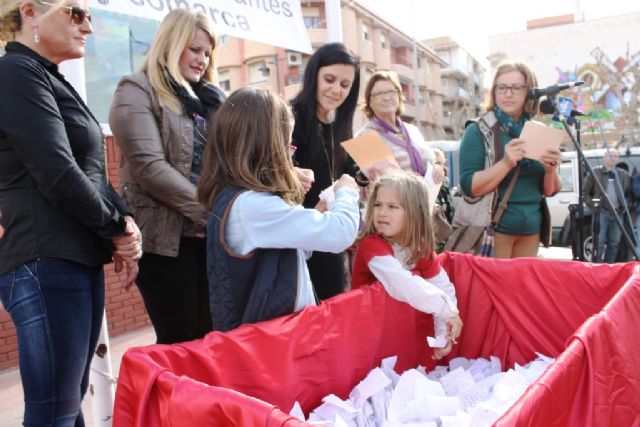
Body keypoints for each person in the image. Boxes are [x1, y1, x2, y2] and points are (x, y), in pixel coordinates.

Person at [0, 1, 142, 425]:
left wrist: (126, 221)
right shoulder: (15, 74)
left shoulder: (46, 79)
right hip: (46, 261)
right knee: (54, 412)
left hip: (71, 259)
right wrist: (116, 228)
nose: (90, 27)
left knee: (65, 405)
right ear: (30, 12)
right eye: (76, 13)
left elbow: (92, 171)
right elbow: (57, 170)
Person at [197, 88, 360, 331]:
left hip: (277, 334)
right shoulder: (251, 206)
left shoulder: (246, 200)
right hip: (272, 339)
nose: (288, 155)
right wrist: (347, 190)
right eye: (286, 145)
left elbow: (292, 253)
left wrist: (320, 210)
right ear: (266, 146)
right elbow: (341, 234)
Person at [110, 9, 225, 344]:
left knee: (212, 339)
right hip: (166, 244)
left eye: (207, 52)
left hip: (211, 240)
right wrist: (215, 213)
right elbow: (150, 169)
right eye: (194, 49)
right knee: (180, 342)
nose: (202, 59)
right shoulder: (136, 90)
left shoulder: (211, 98)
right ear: (171, 44)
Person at [458, 60, 562, 259]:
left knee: (520, 290)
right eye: (502, 87)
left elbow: (549, 191)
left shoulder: (538, 131)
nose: (508, 94)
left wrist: (551, 170)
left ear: (529, 92)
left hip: (532, 232)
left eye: (516, 88)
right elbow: (469, 187)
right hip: (494, 231)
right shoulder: (478, 130)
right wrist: (505, 163)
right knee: (496, 290)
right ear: (494, 92)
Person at [352, 173, 462, 359]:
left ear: (414, 212)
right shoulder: (372, 245)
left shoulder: (419, 247)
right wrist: (446, 310)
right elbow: (401, 283)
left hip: (394, 337)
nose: (382, 212)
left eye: (392, 206)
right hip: (365, 335)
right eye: (378, 205)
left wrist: (443, 334)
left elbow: (441, 285)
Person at [290, 42, 362, 300]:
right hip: (296, 239)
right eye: (329, 79)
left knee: (333, 309)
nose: (336, 90)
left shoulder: (342, 126)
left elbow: (352, 172)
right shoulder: (288, 117)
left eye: (345, 85)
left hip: (330, 236)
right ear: (314, 76)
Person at [358, 70, 444, 184]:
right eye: (379, 94)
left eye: (391, 91)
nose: (387, 97)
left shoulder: (413, 130)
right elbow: (386, 182)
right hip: (396, 200)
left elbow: (431, 162)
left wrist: (437, 168)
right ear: (370, 101)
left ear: (399, 95)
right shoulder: (364, 138)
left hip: (428, 199)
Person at [583, 149, 632, 263]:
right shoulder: (594, 172)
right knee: (598, 243)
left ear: (618, 159)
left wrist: (625, 206)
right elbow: (585, 193)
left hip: (618, 213)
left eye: (616, 156)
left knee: (614, 243)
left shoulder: (623, 175)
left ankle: (609, 268)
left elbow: (630, 195)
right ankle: (597, 268)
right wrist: (594, 205)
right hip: (601, 213)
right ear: (604, 157)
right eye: (610, 155)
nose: (613, 158)